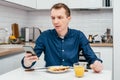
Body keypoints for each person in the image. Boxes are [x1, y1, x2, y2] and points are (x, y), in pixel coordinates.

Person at [21, 3, 103, 73]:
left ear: (68, 19)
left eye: (60, 17)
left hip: (72, 75)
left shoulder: (78, 35)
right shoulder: (45, 36)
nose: (55, 22)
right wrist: (27, 62)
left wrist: (96, 63)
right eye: (53, 18)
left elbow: (91, 56)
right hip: (50, 76)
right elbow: (32, 59)